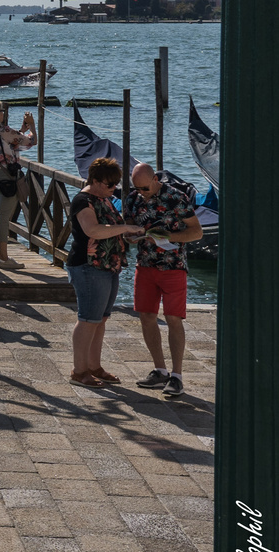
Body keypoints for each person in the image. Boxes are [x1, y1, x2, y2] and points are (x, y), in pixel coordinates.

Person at [66, 157, 145, 388]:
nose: (113, 189)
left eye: (116, 185)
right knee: (88, 319)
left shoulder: (106, 199)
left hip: (109, 265)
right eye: (109, 184)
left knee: (101, 319)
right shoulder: (83, 200)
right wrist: (125, 227)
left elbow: (111, 229)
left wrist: (129, 235)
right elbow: (93, 230)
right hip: (88, 266)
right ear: (96, 181)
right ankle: (79, 371)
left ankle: (94, 366)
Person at [125, 163, 202, 397]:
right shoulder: (132, 200)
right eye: (137, 189)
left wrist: (169, 236)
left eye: (145, 188)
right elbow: (128, 229)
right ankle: (160, 370)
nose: (142, 193)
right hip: (145, 264)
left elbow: (196, 232)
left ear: (156, 179)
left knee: (173, 318)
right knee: (147, 317)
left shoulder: (176, 197)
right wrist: (131, 237)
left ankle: (177, 376)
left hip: (173, 265)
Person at [0, 100, 37, 268]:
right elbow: (31, 142)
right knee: (3, 217)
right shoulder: (4, 130)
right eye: (2, 111)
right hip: (8, 179)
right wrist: (32, 127)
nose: (4, 113)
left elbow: (8, 144)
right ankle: (4, 258)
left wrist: (20, 131)